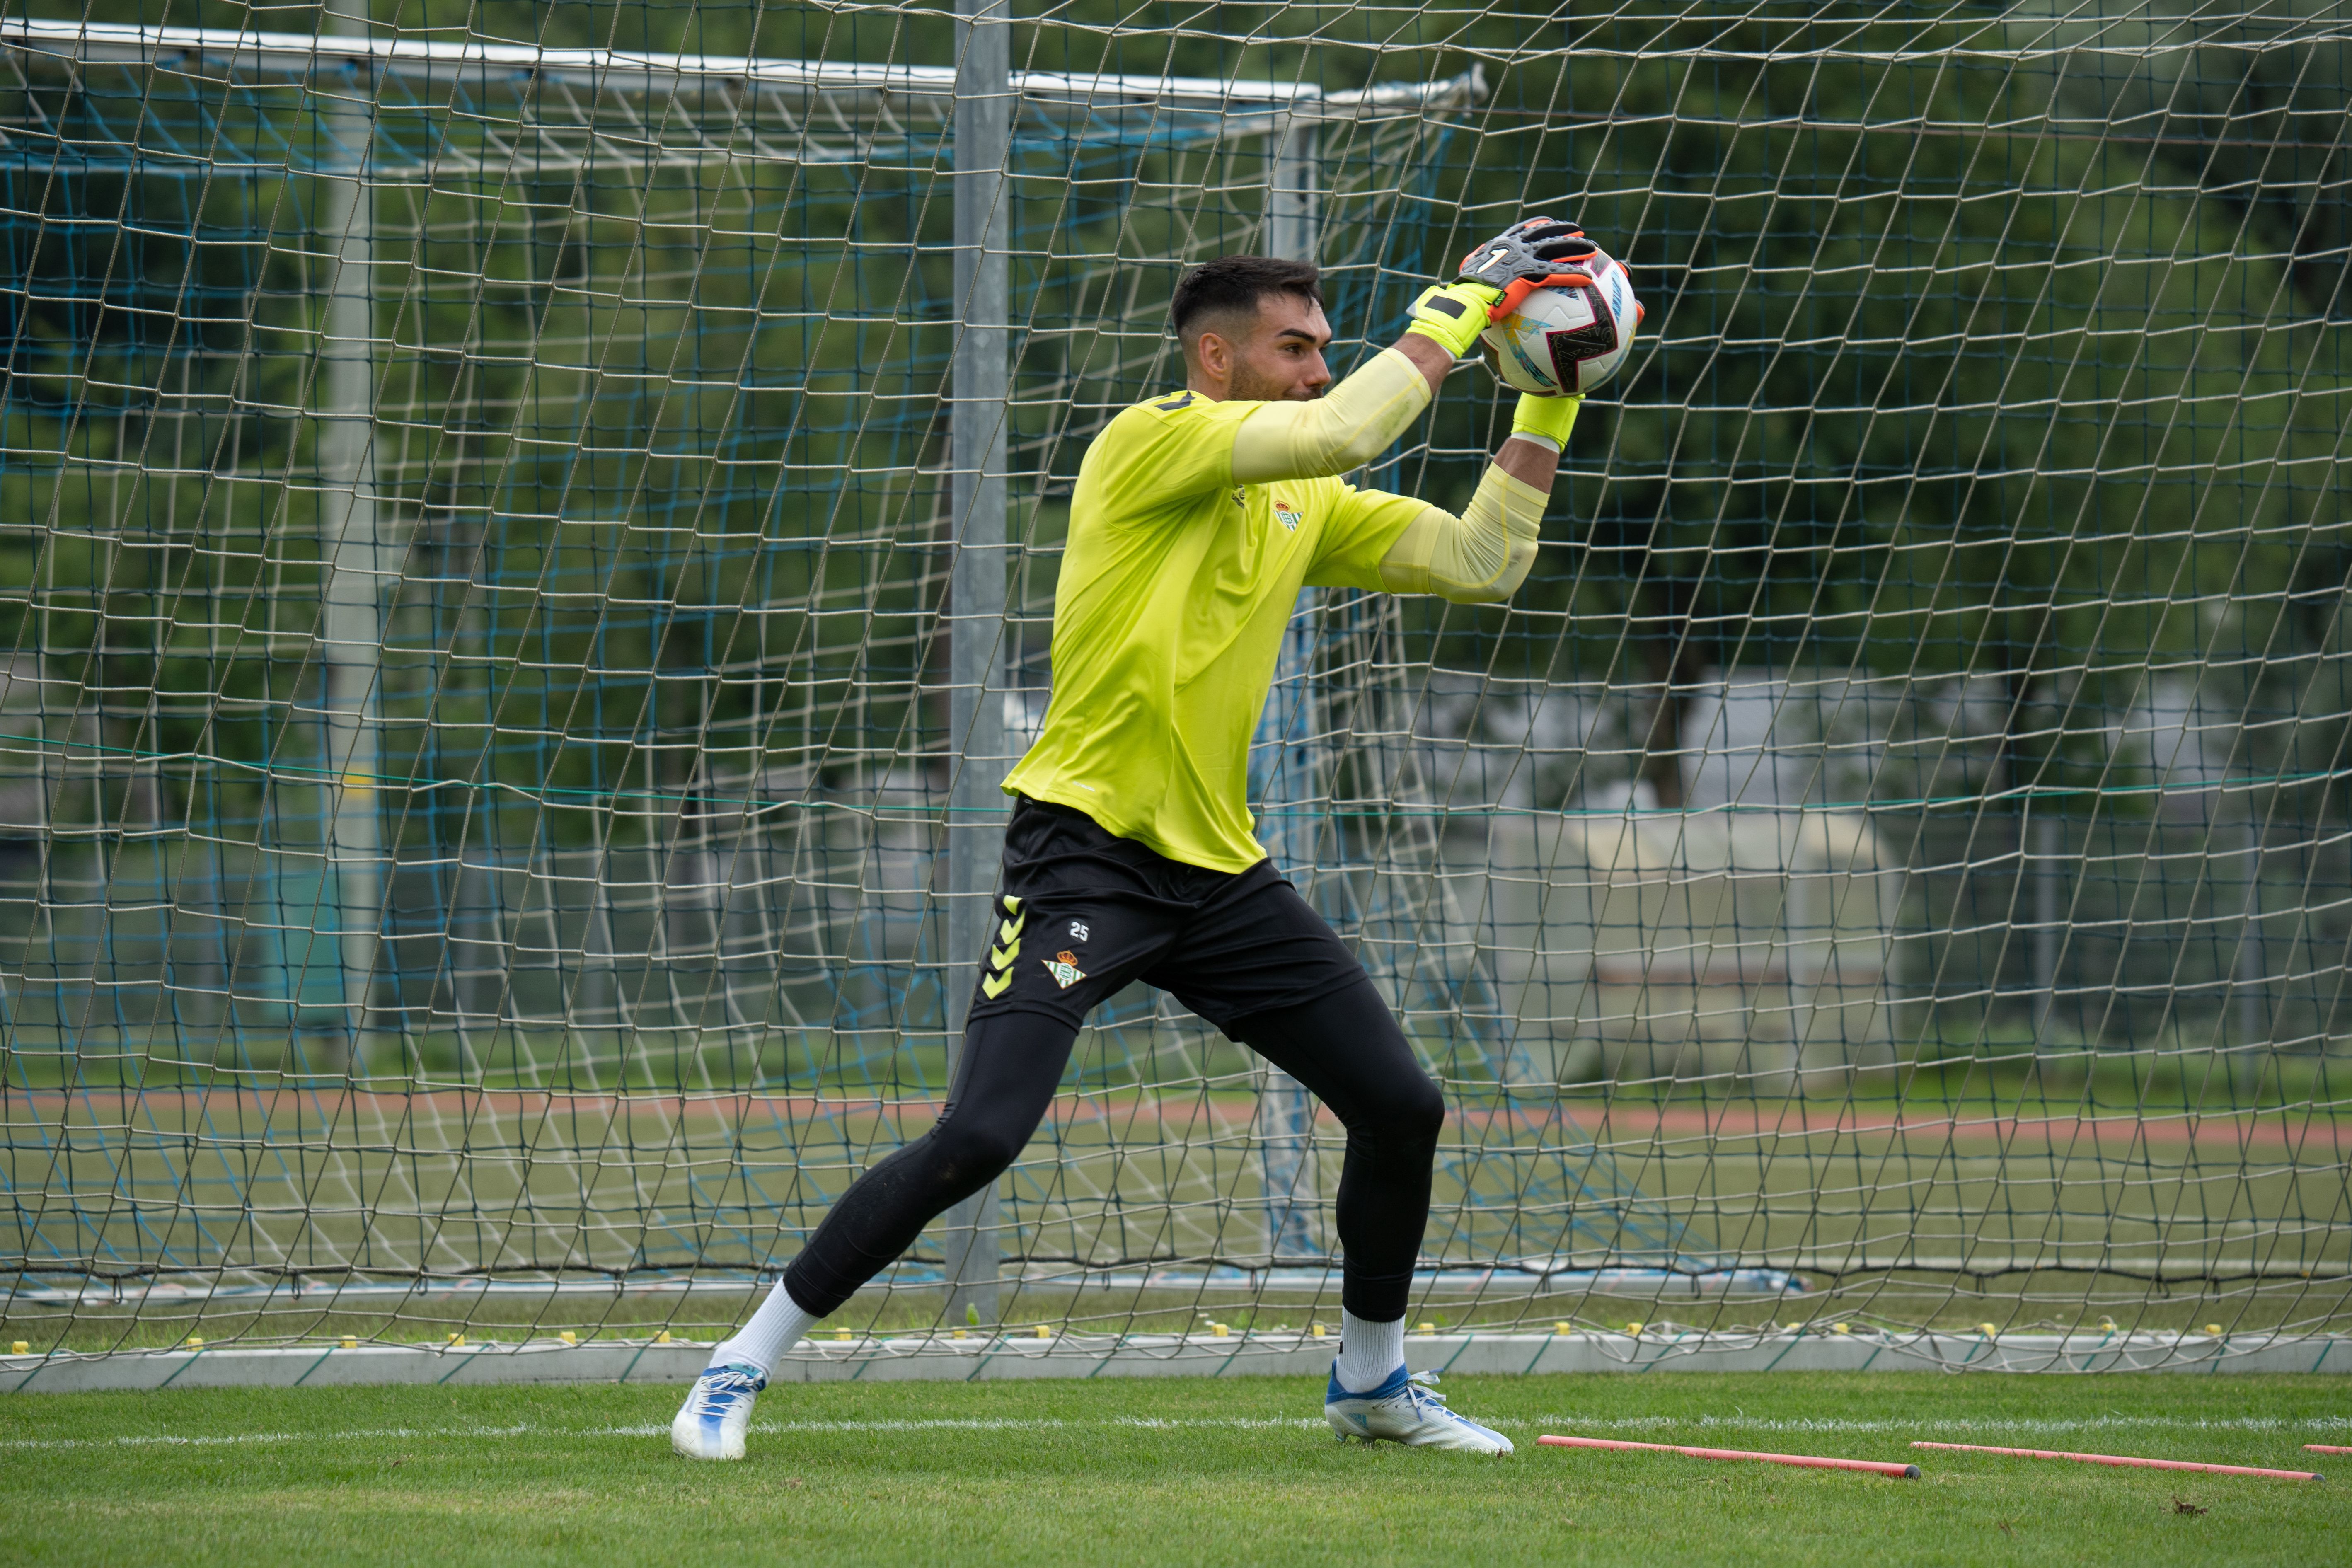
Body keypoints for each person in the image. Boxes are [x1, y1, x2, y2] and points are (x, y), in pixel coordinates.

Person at [673, 221, 1599, 1460]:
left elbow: (1484, 561)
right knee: (980, 1137)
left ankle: (1371, 1382)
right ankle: (735, 1367)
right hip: (1086, 858)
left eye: (1324, 348)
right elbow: (1345, 430)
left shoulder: (1299, 498)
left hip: (1219, 877)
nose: (1319, 369)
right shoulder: (1149, 439)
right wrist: (1463, 309)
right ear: (1216, 359)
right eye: (1294, 348)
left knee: (1401, 1104)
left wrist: (1547, 397)